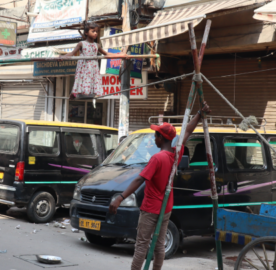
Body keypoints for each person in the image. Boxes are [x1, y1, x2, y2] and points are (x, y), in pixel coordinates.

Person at [109, 102, 211, 270]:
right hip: (165, 207)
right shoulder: (176, 154)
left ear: (161, 138)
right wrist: (199, 114)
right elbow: (187, 131)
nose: (154, 138)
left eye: (156, 135)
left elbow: (138, 180)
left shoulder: (158, 158)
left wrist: (120, 198)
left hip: (150, 208)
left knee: (142, 245)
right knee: (159, 244)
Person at [61, 22, 119, 100]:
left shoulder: (97, 45)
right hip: (84, 66)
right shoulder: (81, 44)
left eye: (97, 31)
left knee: (94, 79)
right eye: (93, 31)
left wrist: (119, 55)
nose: (95, 33)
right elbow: (72, 54)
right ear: (86, 32)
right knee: (81, 79)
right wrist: (62, 57)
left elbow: (106, 54)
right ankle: (74, 93)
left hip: (93, 67)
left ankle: (93, 93)